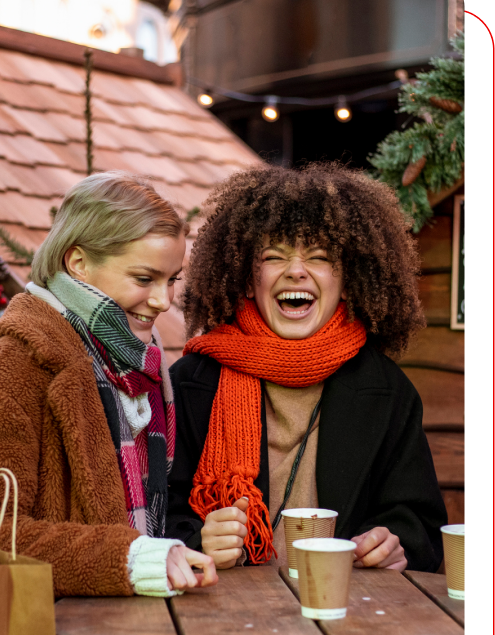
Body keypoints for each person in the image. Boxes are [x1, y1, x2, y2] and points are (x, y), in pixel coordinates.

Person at [165, 162, 447, 573]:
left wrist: (394, 545)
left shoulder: (388, 391)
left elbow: (420, 522)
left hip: (349, 614)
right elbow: (152, 516)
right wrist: (197, 538)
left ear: (347, 282)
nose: (296, 270)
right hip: (220, 618)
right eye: (275, 256)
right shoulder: (190, 383)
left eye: (318, 256)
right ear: (248, 281)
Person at [0, 171, 217, 599]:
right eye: (143, 279)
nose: (163, 301)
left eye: (171, 280)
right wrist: (129, 558)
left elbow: (150, 519)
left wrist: (195, 540)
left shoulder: (142, 368)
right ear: (78, 263)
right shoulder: (12, 370)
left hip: (137, 627)